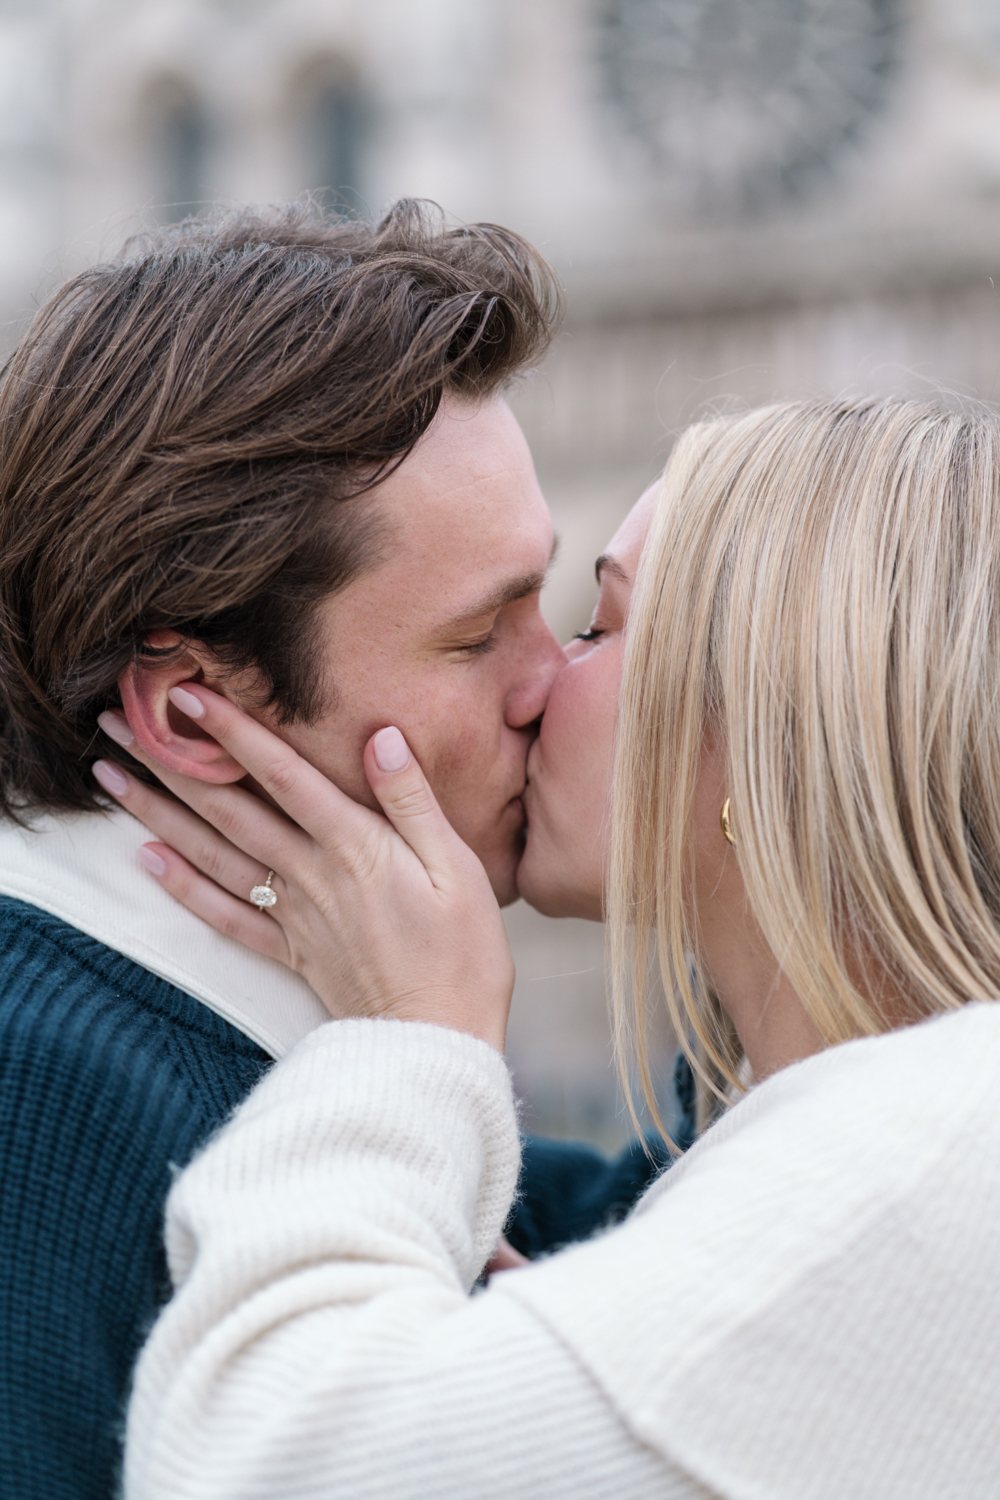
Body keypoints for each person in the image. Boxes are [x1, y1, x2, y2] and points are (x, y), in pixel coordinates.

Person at [113, 395, 1000, 1499]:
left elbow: (242, 1457)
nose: (540, 683)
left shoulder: (923, 1165)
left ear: (765, 728)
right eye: (484, 633)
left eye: (600, 624)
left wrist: (408, 1037)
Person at [0, 201, 678, 1500]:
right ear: (191, 712)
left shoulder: (254, 1029)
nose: (559, 683)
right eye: (482, 637)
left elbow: (709, 1248)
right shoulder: (41, 1104)